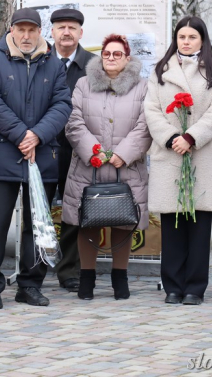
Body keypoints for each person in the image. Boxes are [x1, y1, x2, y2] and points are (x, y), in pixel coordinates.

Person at [0, 7, 72, 310]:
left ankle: (31, 284)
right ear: (12, 30)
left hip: (42, 157)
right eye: (21, 30)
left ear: (40, 32)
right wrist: (21, 135)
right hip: (4, 155)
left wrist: (38, 135)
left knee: (38, 224)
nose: (27, 36)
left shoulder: (53, 64)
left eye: (32, 30)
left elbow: (62, 104)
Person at [144, 16, 212, 306]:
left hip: (200, 153)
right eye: (182, 37)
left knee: (199, 224)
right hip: (169, 154)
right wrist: (171, 138)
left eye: (192, 37)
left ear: (202, 40)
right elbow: (152, 110)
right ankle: (173, 286)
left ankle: (195, 287)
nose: (186, 41)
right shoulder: (160, 70)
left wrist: (191, 137)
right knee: (172, 225)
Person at [63, 34, 152, 300]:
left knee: (123, 223)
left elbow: (146, 125)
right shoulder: (82, 84)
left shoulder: (143, 87)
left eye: (117, 54)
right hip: (87, 167)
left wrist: (122, 154)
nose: (111, 58)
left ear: (127, 58)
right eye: (106, 54)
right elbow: (73, 120)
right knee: (86, 221)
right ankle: (86, 280)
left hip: (127, 168)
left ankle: (119, 278)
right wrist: (95, 151)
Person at [49, 8, 96, 293]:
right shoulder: (40, 61)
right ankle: (35, 266)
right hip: (42, 149)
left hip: (78, 151)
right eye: (60, 27)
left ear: (80, 33)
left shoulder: (94, 65)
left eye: (71, 28)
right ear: (51, 32)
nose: (66, 32)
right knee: (37, 209)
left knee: (75, 212)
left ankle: (70, 270)